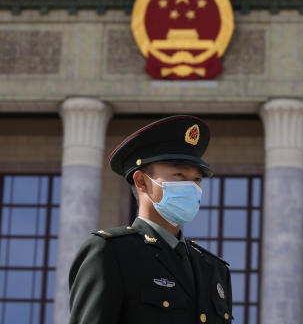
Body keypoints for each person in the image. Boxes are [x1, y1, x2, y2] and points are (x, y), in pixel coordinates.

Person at [68, 115, 233, 323]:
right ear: (141, 181)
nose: (192, 187)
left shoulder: (213, 268)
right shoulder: (111, 252)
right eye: (179, 175)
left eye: (197, 179)